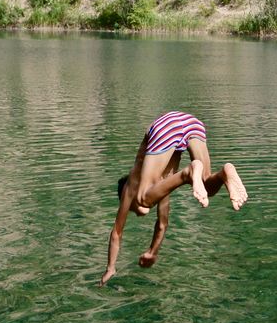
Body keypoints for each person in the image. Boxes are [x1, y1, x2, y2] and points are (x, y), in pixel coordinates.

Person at [100, 111, 247, 285]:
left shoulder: (130, 184)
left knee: (143, 199)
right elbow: (162, 224)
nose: (138, 215)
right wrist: (153, 251)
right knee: (207, 187)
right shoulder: (162, 185)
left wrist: (110, 268)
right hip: (191, 123)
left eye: (132, 210)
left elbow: (117, 232)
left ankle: (188, 173)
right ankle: (225, 173)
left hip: (166, 126)